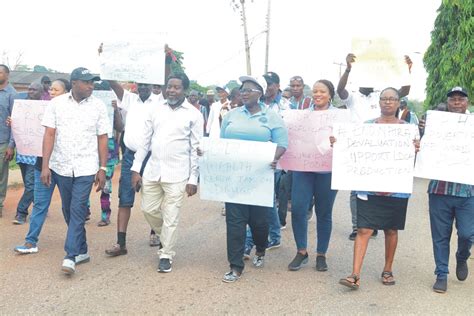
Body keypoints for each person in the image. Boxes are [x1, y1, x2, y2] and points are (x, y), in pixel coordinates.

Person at [337, 87, 419, 290]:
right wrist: (338, 143)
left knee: (391, 229)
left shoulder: (408, 129)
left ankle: (387, 269)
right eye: (384, 99)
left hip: (396, 188)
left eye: (392, 99)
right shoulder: (367, 126)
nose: (388, 102)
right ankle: (355, 274)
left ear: (399, 103)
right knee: (364, 229)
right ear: (379, 102)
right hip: (369, 187)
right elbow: (353, 150)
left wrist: (416, 150)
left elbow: (413, 160)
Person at [131, 72, 203, 273]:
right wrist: (136, 168)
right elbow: (144, 142)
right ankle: (167, 238)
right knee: (148, 209)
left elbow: (196, 148)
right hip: (153, 171)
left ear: (184, 90)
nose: (171, 90)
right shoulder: (155, 110)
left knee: (171, 216)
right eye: (169, 86)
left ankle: (166, 254)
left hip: (178, 174)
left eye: (176, 87)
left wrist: (193, 179)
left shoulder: (194, 114)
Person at [337, 53, 413, 241]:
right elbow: (340, 90)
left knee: (380, 186)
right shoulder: (353, 97)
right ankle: (358, 225)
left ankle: (374, 222)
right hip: (358, 147)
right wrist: (348, 69)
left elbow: (402, 91)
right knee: (357, 189)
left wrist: (407, 71)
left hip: (382, 147)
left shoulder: (382, 95)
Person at [41, 67, 109, 274]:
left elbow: (103, 137)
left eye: (93, 83)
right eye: (87, 82)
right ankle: (82, 249)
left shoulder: (98, 106)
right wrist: (45, 165)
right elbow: (49, 135)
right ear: (75, 82)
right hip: (61, 166)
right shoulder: (56, 104)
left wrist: (102, 167)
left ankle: (70, 255)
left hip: (86, 167)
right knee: (68, 210)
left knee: (78, 209)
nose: (91, 86)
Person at [219, 75, 288, 283]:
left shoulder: (272, 117)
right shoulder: (231, 115)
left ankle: (260, 249)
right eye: (242, 89)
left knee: (259, 222)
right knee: (235, 221)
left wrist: (274, 158)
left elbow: (282, 144)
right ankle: (236, 265)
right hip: (234, 179)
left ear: (259, 93)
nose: (244, 92)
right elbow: (222, 144)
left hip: (260, 179)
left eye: (249, 89)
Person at [14, 79, 71, 254]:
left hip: (64, 166)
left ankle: (76, 240)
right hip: (43, 164)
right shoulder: (41, 109)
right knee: (40, 204)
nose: (52, 92)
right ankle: (30, 241)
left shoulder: (72, 113)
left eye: (56, 89)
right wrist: (16, 122)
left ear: (67, 92)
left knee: (68, 207)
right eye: (51, 89)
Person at [287, 79, 339, 272]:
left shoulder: (339, 117)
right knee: (299, 209)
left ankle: (321, 254)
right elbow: (293, 136)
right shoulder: (300, 117)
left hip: (328, 171)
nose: (318, 95)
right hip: (303, 169)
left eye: (322, 92)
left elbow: (348, 140)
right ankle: (301, 251)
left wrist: (338, 139)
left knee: (324, 213)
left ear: (330, 95)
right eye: (315, 91)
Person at [427, 87, 473, 294]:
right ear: (447, 103)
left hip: (468, 192)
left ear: (467, 103)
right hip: (440, 189)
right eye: (452, 99)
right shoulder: (436, 124)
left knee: (467, 234)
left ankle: (462, 257)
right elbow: (421, 146)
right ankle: (441, 274)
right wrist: (423, 131)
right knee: (440, 235)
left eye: (460, 99)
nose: (456, 102)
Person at [11, 82, 44, 225]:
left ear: (41, 92)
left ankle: (21, 212)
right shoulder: (20, 107)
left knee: (31, 186)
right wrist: (10, 122)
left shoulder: (46, 108)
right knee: (29, 184)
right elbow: (15, 127)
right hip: (22, 153)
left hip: (36, 154)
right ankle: (40, 207)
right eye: (29, 89)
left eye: (34, 89)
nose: (30, 91)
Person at [0, 64, 17, 218]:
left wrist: (11, 145)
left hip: (3, 140)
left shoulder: (12, 94)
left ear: (7, 75)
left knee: (0, 174)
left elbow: (15, 122)